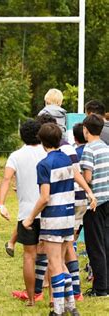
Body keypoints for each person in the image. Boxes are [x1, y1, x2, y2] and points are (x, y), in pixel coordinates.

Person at [23, 123, 96, 315]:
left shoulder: (44, 164)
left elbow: (45, 197)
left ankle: (58, 309)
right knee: (62, 262)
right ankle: (71, 306)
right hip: (68, 216)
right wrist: (89, 193)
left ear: (42, 141)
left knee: (54, 264)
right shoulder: (67, 158)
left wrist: (30, 218)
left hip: (53, 218)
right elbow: (77, 175)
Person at [0, 119, 47, 306]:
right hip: (47, 210)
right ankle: (50, 295)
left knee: (29, 256)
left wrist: (1, 203)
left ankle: (32, 299)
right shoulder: (47, 153)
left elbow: (6, 179)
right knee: (49, 253)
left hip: (27, 213)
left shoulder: (15, 156)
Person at [80, 114, 109, 297]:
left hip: (94, 203)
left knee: (95, 245)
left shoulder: (89, 149)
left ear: (86, 130)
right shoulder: (106, 148)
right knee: (106, 243)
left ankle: (100, 288)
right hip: (107, 198)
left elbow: (88, 178)